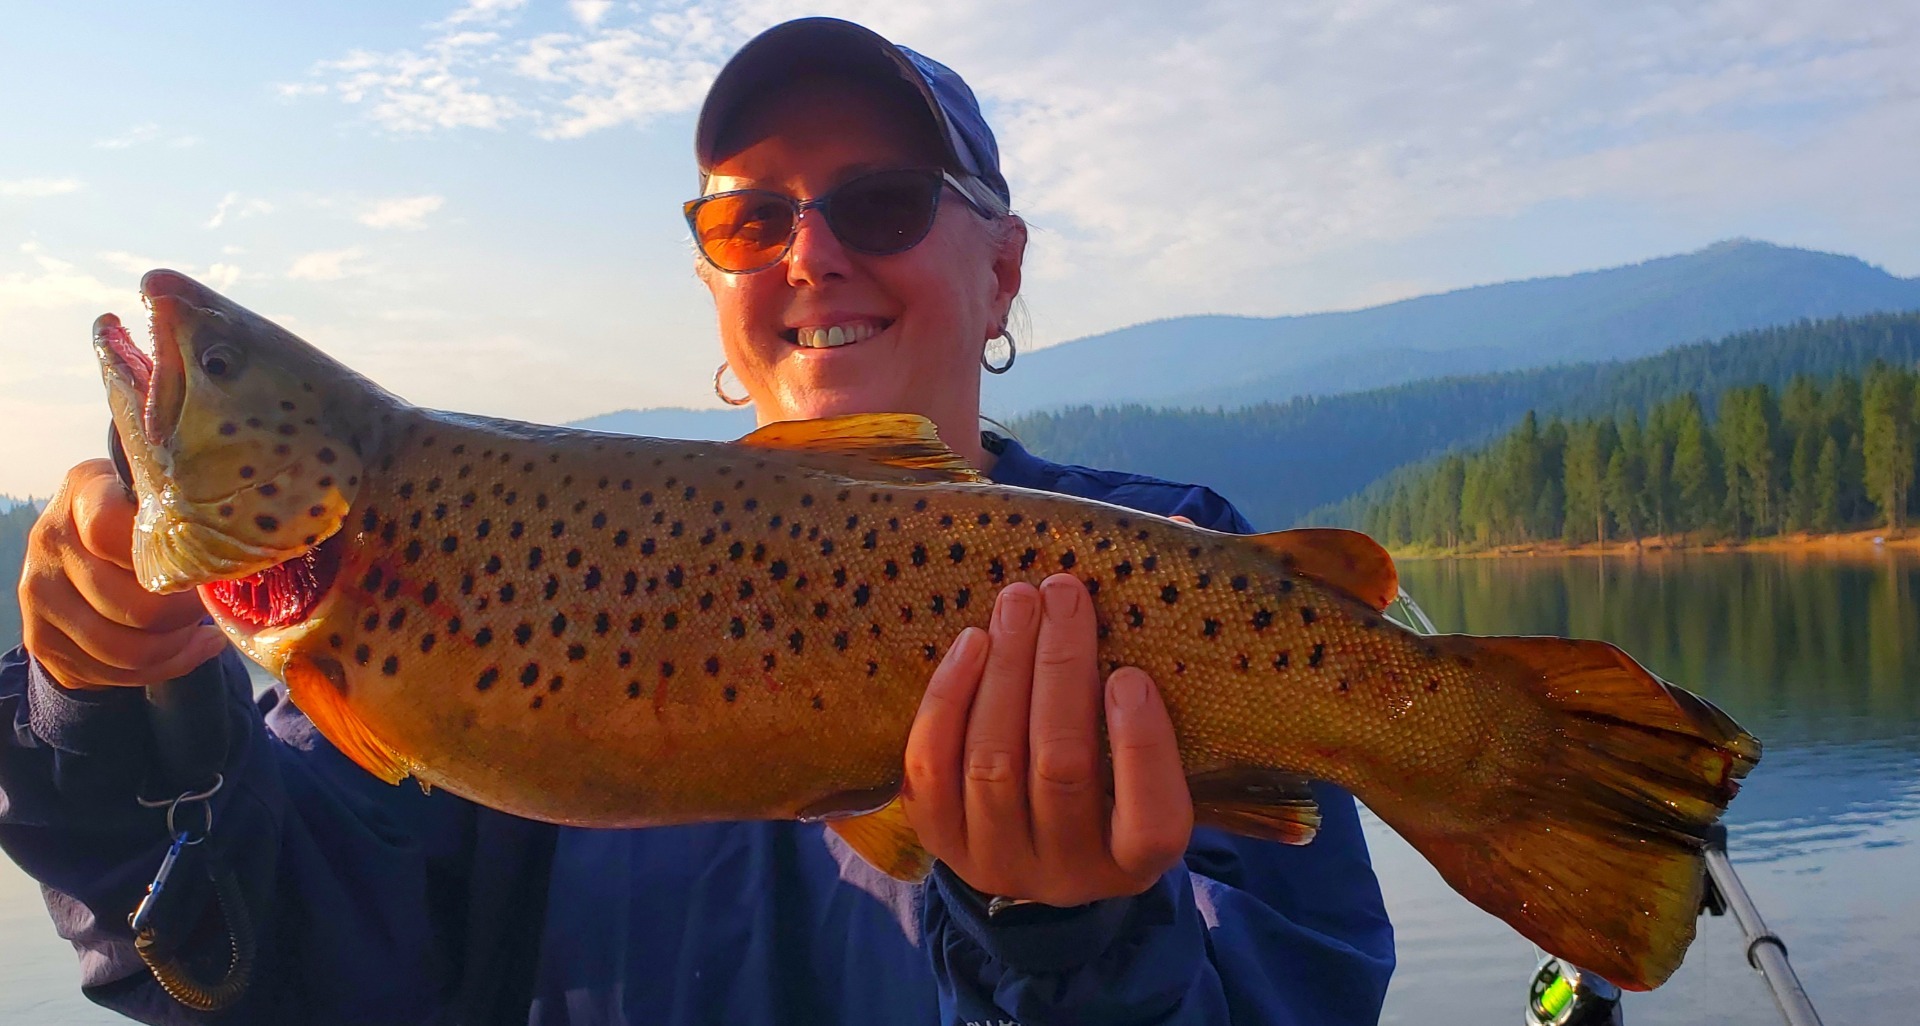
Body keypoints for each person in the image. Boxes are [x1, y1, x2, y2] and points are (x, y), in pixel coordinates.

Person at [2, 17, 1393, 1025]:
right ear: (713, 277)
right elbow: (255, 960)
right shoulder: (523, 550)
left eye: (882, 201)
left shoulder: (1188, 583)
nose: (811, 251)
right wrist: (125, 703)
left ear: (1006, 265)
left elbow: (1295, 992)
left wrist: (1075, 939)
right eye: (751, 221)